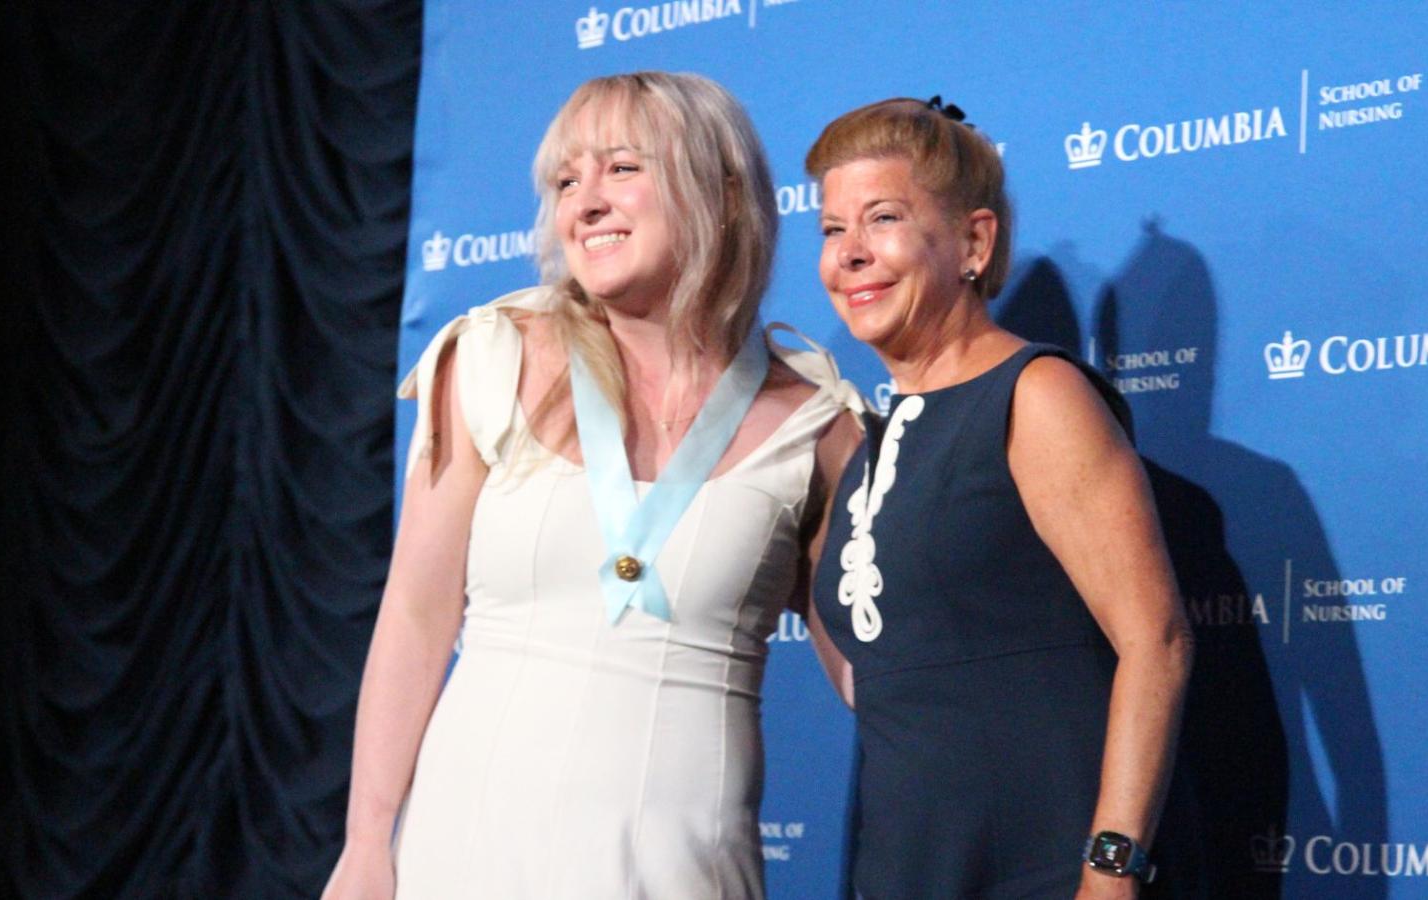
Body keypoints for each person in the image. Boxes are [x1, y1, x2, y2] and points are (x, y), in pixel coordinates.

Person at [321, 72, 863, 900]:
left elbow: (875, 674)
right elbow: (415, 615)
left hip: (687, 873)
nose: (586, 202)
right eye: (566, 181)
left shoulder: (815, 423)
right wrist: (366, 844)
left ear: (720, 192)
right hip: (468, 858)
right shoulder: (492, 359)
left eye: (621, 168)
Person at [803, 97, 1194, 899]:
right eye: (832, 230)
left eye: (881, 219)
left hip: (1051, 869)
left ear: (974, 241)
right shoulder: (872, 441)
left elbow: (1156, 642)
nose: (850, 255)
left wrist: (1110, 871)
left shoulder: (1035, 395)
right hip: (910, 869)